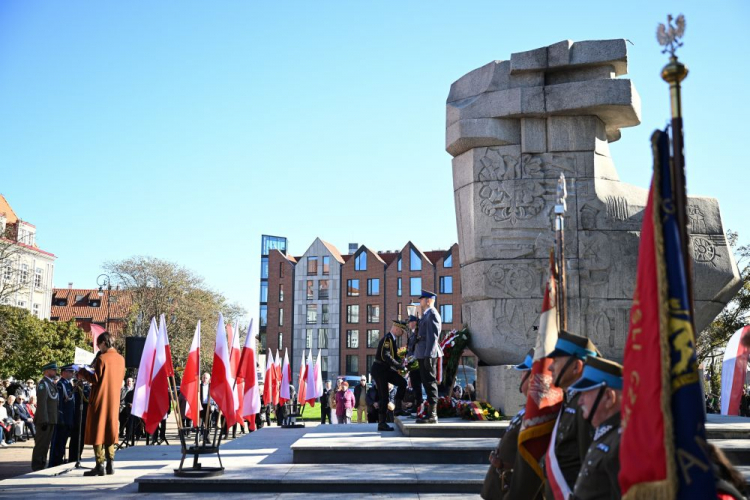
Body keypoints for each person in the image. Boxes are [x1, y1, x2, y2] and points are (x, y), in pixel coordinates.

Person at [544, 331, 599, 500]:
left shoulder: (584, 407)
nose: (550, 367)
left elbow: (588, 468)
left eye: (557, 361)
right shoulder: (571, 401)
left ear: (576, 367)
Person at [482, 349, 534, 500]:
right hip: (501, 484)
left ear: (533, 378)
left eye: (524, 372)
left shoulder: (536, 415)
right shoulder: (527, 409)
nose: (520, 376)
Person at [568, 357, 623, 500]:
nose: (579, 401)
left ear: (609, 397)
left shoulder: (620, 443)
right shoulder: (606, 434)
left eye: (585, 393)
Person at [77, 332, 126, 476]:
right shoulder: (121, 359)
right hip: (114, 399)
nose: (98, 347)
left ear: (104, 343)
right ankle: (111, 463)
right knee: (110, 430)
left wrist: (82, 372)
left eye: (99, 344)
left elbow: (96, 379)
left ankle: (100, 465)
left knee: (97, 431)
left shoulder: (102, 358)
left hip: (100, 399)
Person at [371, 319, 408, 431]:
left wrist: (405, 361)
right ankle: (381, 423)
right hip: (379, 370)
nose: (402, 334)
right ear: (396, 329)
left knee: (403, 382)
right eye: (401, 331)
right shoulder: (387, 339)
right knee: (384, 397)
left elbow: (395, 356)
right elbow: (386, 356)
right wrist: (399, 366)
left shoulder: (392, 340)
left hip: (385, 370)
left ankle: (397, 408)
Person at [415, 290, 442, 424]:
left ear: (428, 300)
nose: (420, 302)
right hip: (423, 353)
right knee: (426, 382)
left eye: (421, 299)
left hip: (428, 353)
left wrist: (429, 356)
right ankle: (430, 413)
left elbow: (433, 337)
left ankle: (433, 414)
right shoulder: (426, 315)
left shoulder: (432, 314)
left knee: (430, 383)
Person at [31, 362, 59, 471]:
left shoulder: (50, 383)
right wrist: (44, 420)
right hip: (45, 420)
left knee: (46, 445)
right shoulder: (43, 384)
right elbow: (42, 403)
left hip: (51, 419)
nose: (55, 372)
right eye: (53, 370)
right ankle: (37, 466)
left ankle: (41, 465)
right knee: (41, 445)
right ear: (47, 371)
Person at [49, 365, 76, 467]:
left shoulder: (68, 384)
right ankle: (55, 462)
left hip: (68, 418)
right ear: (63, 372)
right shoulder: (61, 384)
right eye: (70, 372)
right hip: (63, 418)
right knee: (58, 442)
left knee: (63, 442)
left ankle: (59, 460)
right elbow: (59, 403)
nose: (72, 373)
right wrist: (61, 417)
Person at [406, 315, 423, 415]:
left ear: (414, 323)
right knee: (415, 386)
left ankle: (419, 404)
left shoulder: (417, 334)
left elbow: (415, 348)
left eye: (410, 322)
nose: (409, 324)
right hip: (412, 363)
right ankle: (416, 404)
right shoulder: (412, 334)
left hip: (417, 363)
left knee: (417, 385)